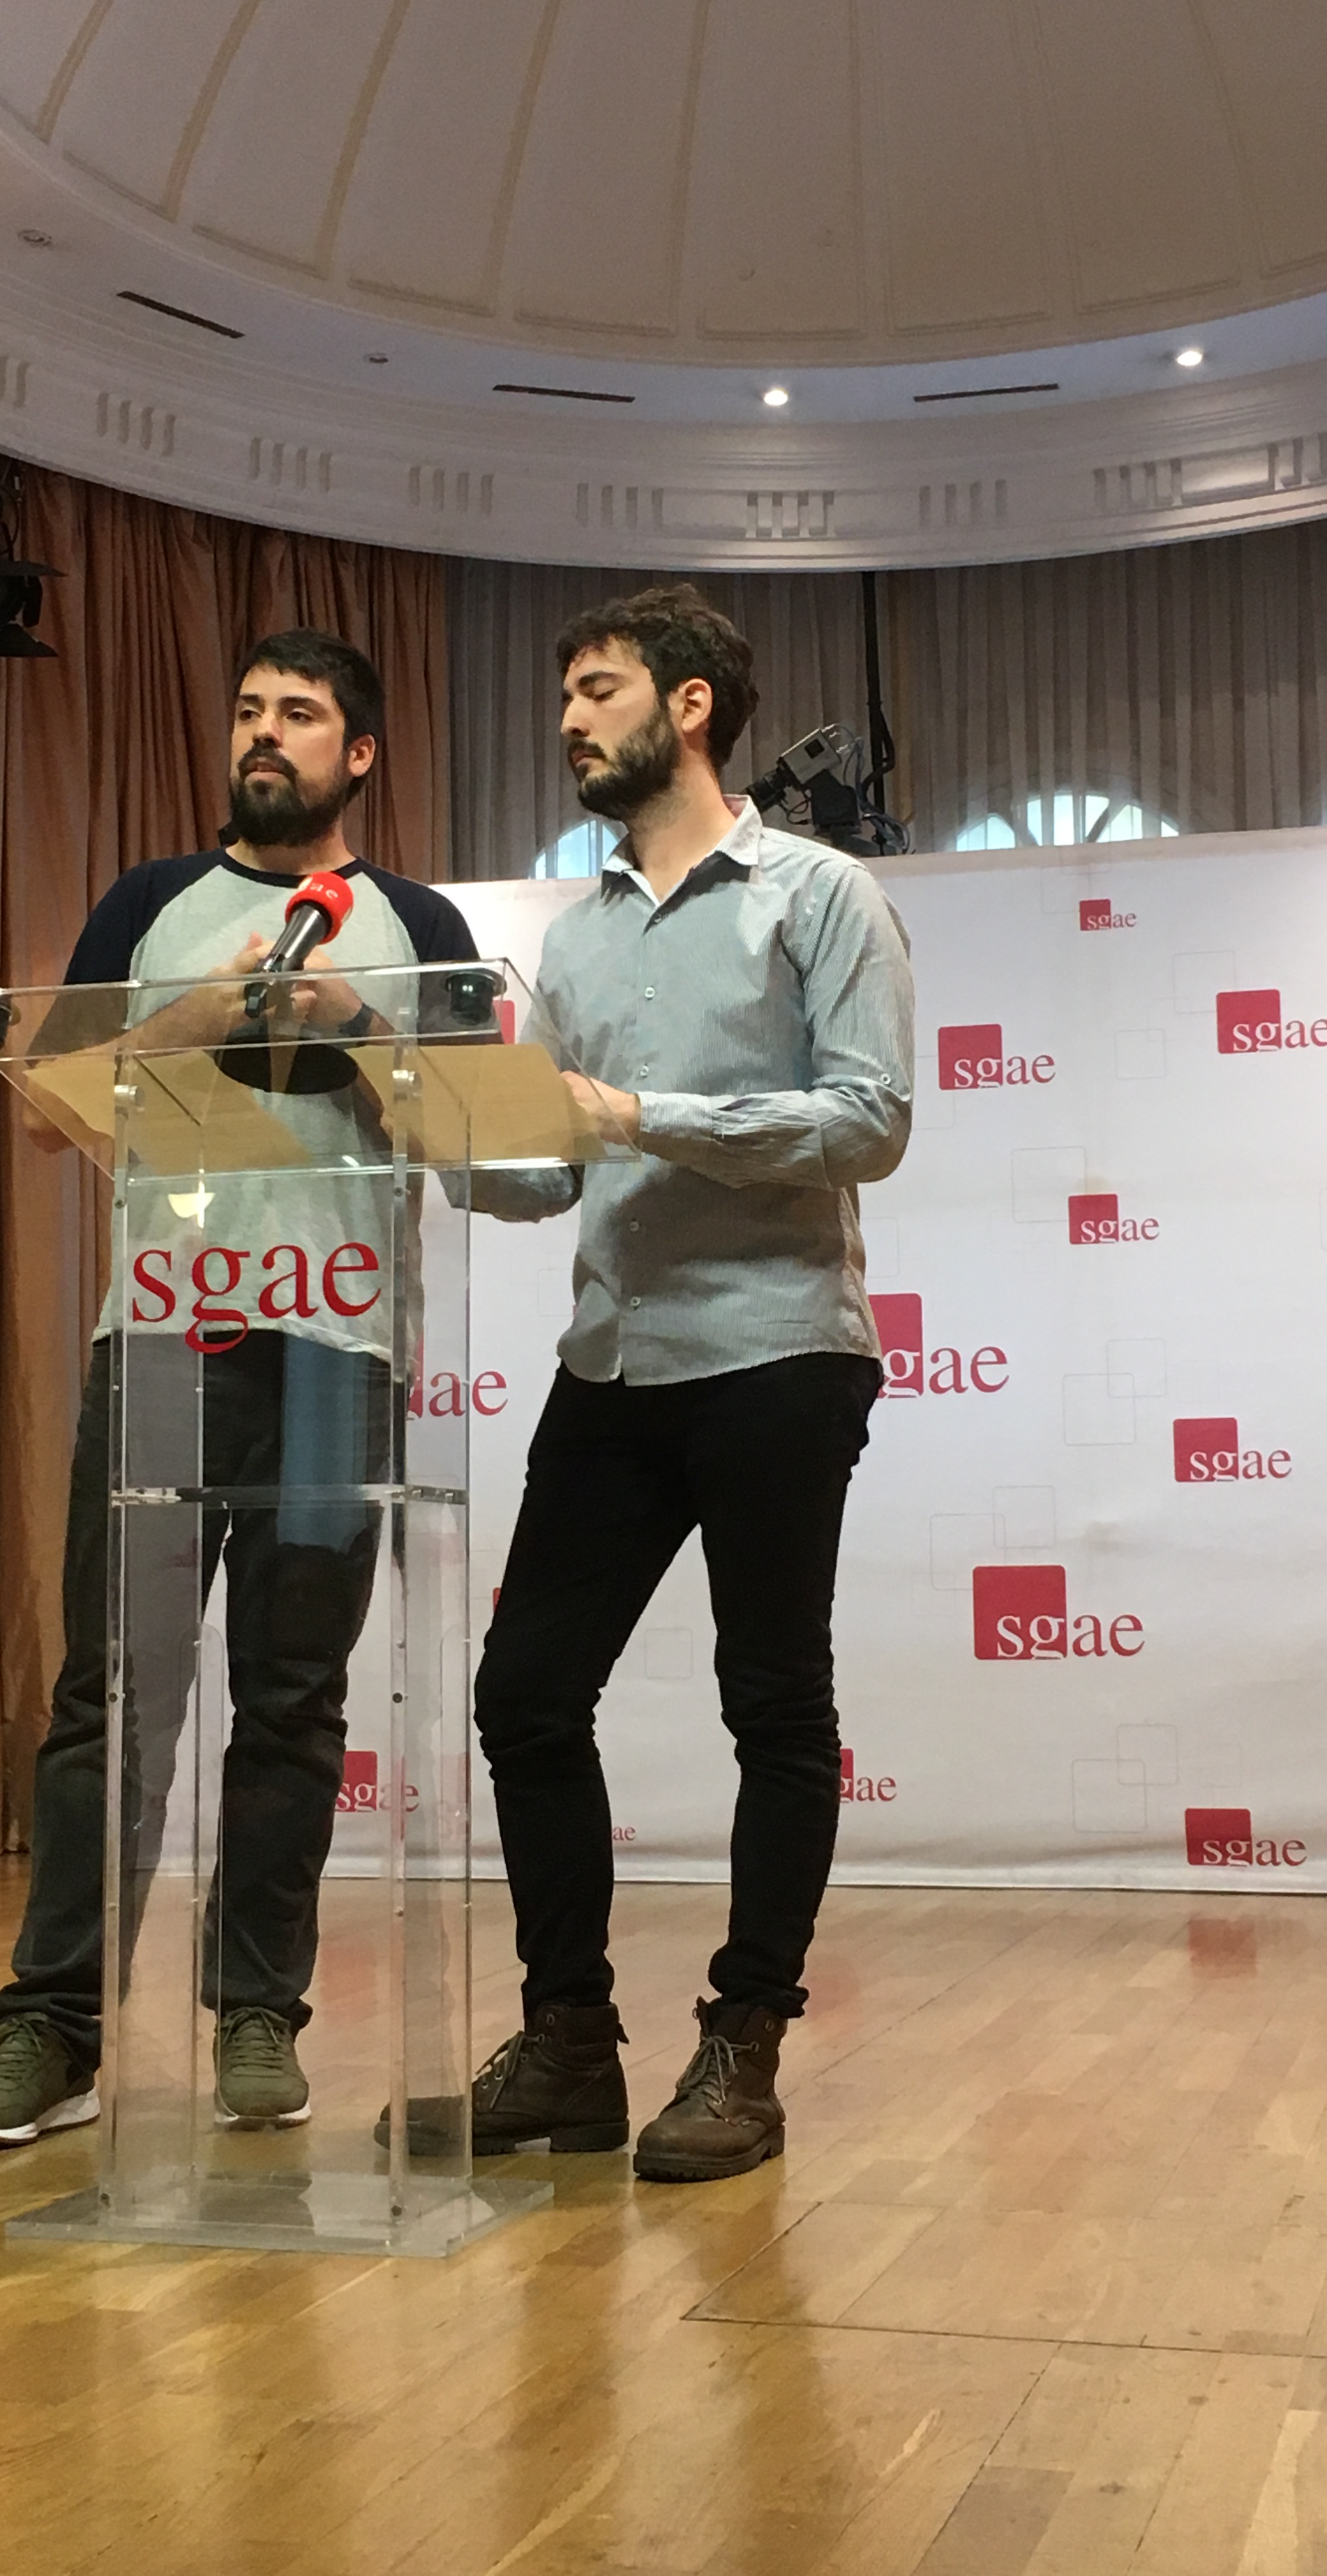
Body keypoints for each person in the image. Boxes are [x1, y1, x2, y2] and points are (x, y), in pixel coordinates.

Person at [0, 631, 479, 2148]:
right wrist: (191, 1019)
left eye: (299, 715)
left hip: (337, 1355)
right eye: (248, 711)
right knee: (109, 1693)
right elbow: (46, 1115)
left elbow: (475, 1143)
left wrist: (357, 1029)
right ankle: (51, 2027)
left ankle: (257, 2013)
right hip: (167, 1339)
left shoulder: (421, 925)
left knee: (294, 1699)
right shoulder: (148, 904)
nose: (264, 735)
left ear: (358, 755)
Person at [468, 582, 914, 2183]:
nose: (571, 721)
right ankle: (569, 2043)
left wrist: (641, 1114)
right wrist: (446, 1131)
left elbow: (869, 1121)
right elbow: (547, 1174)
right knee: (524, 1696)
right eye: (566, 696)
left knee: (774, 1705)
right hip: (616, 1356)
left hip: (779, 1353)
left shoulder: (822, 895)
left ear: (691, 705)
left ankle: (745, 2045)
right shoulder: (574, 936)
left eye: (597, 690)